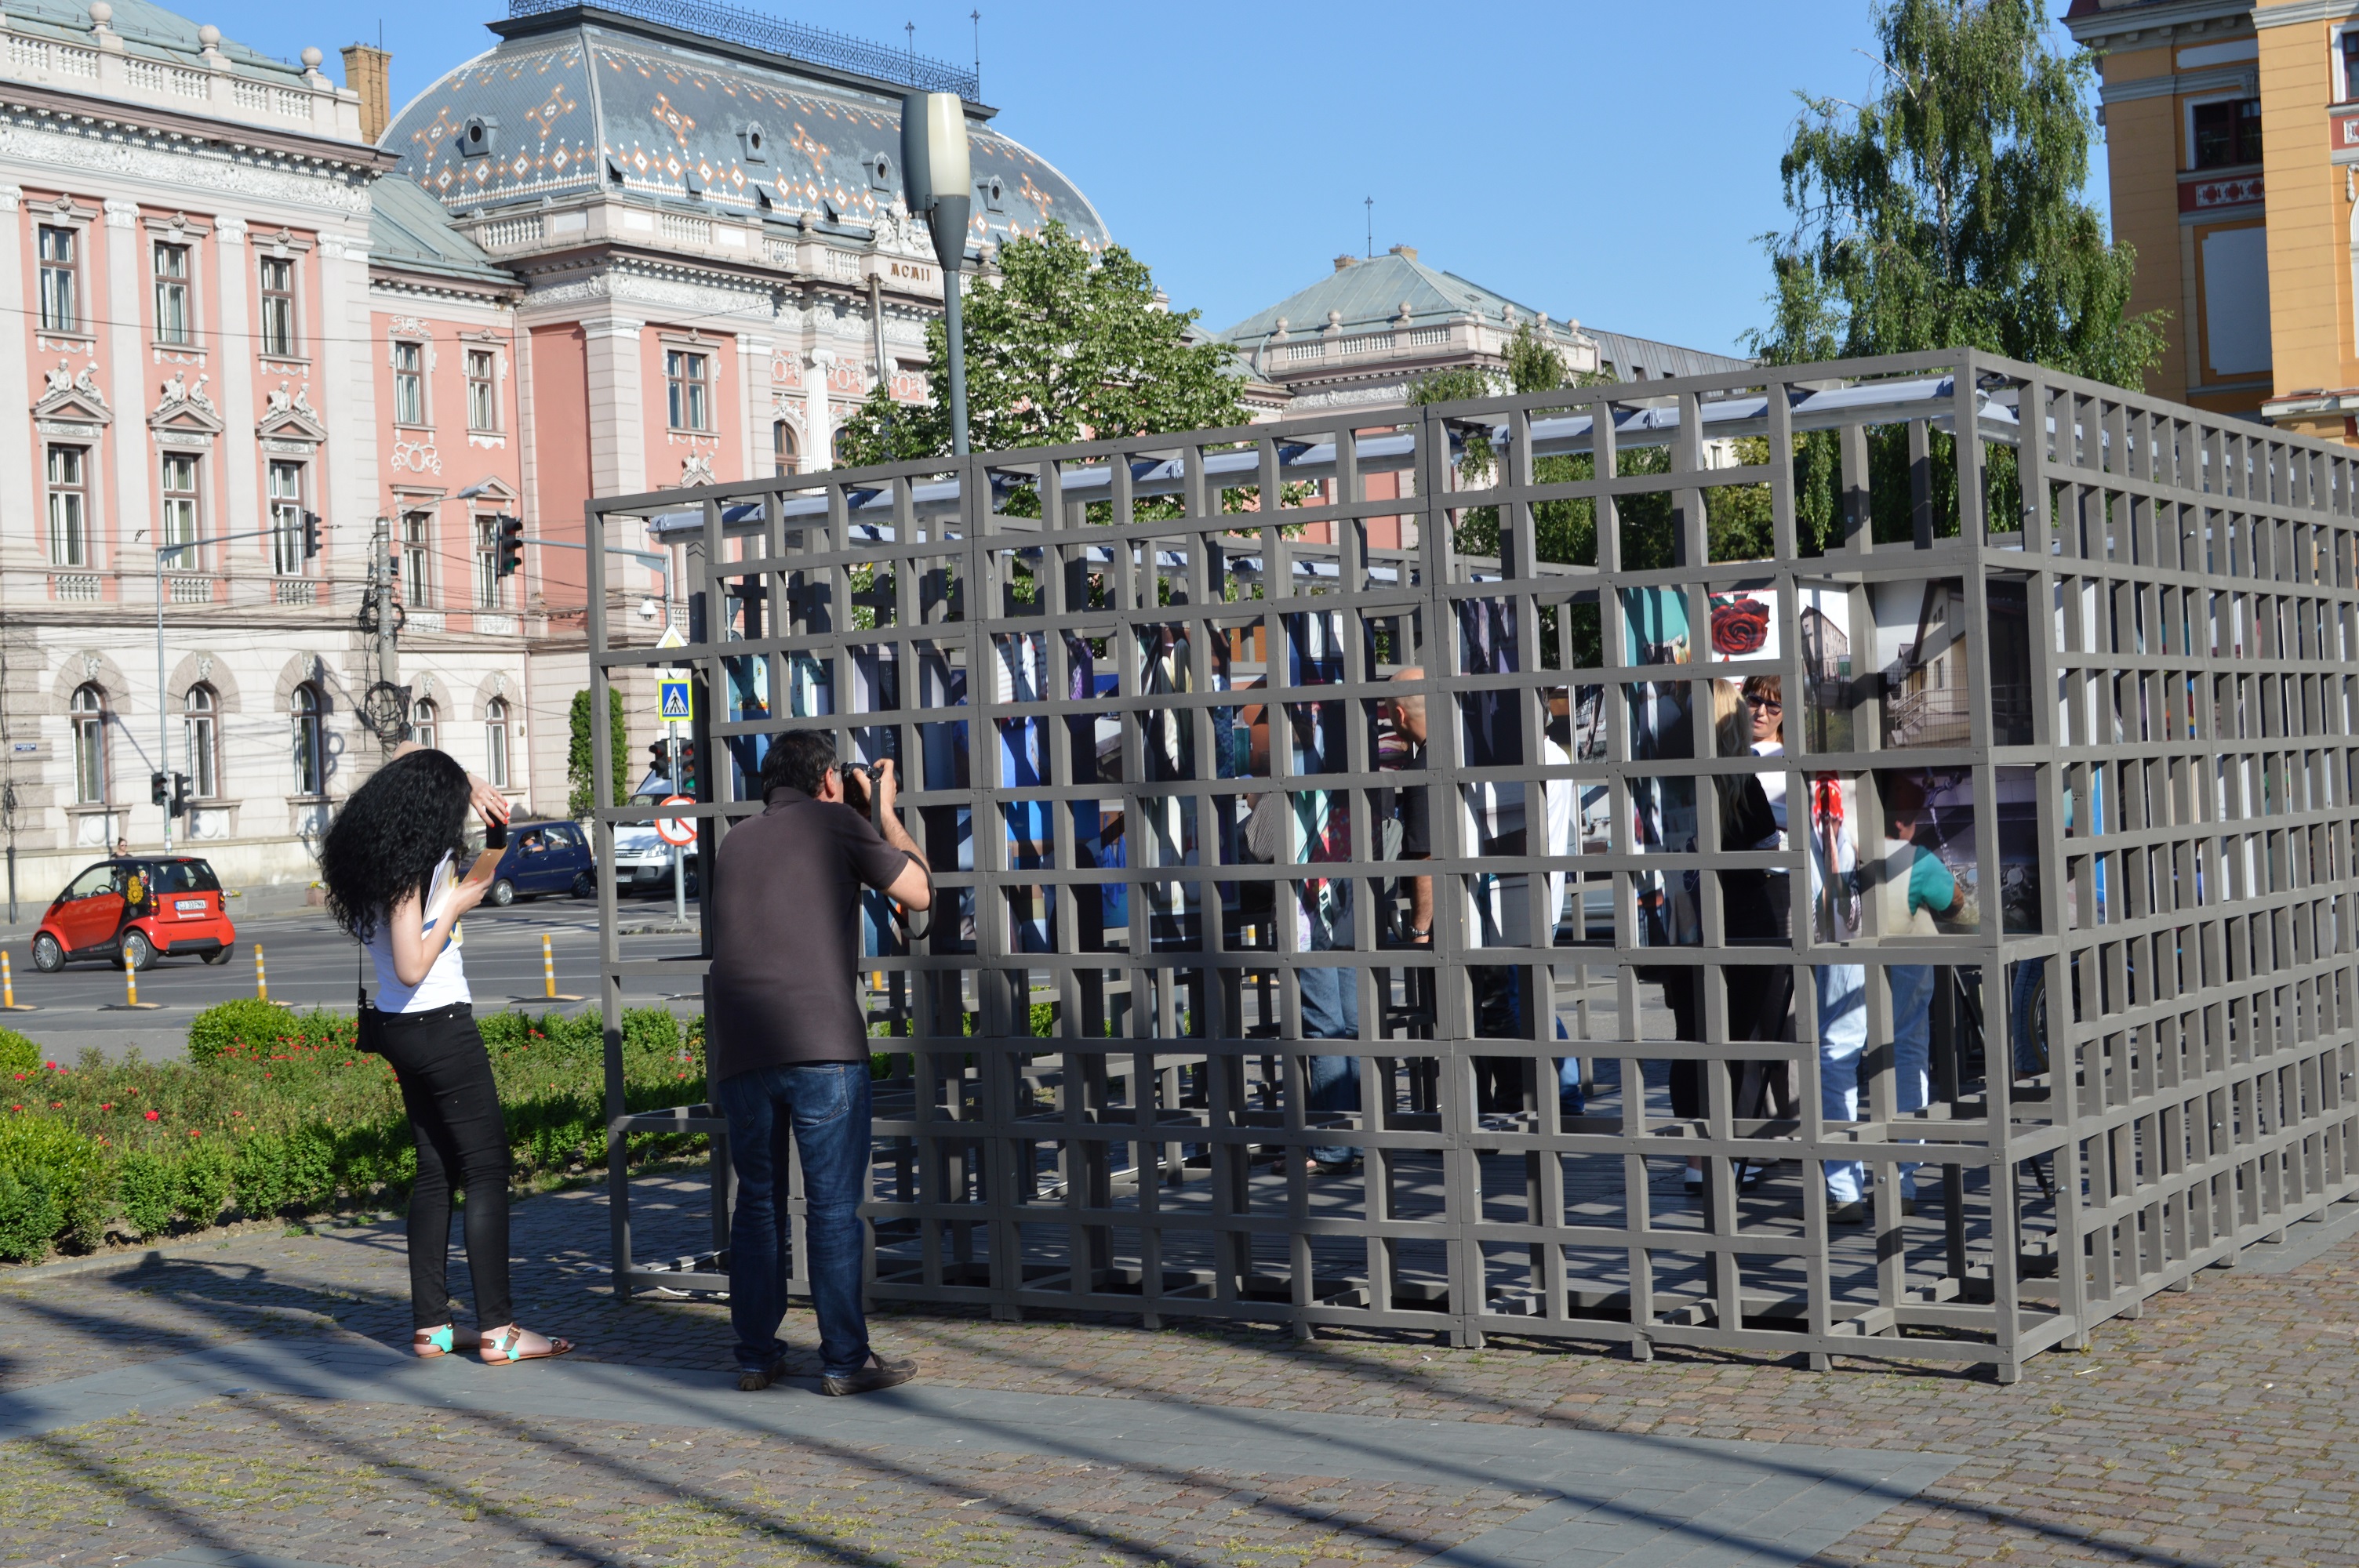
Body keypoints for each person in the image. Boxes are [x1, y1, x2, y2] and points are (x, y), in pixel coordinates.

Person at [318, 746, 575, 1367]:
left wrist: (488, 828)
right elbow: (412, 963)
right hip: (437, 1025)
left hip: (400, 1029)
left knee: (436, 1172)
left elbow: (412, 759)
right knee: (485, 1169)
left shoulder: (382, 856)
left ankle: (433, 1326)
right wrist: (455, 907)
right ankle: (499, 1330)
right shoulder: (413, 867)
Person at [708, 732, 932, 1395]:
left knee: (758, 1206)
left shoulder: (737, 840)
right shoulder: (837, 822)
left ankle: (755, 1356)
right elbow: (918, 892)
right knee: (832, 1208)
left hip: (744, 1048)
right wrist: (885, 808)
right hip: (822, 1043)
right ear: (828, 779)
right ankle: (844, 1361)